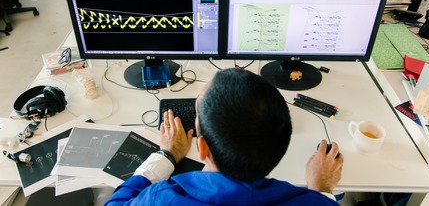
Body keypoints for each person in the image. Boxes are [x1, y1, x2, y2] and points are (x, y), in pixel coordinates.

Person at [105, 68, 343, 205]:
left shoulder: (164, 199)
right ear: (283, 143)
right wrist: (321, 188)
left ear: (203, 148)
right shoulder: (311, 202)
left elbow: (116, 203)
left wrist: (166, 155)